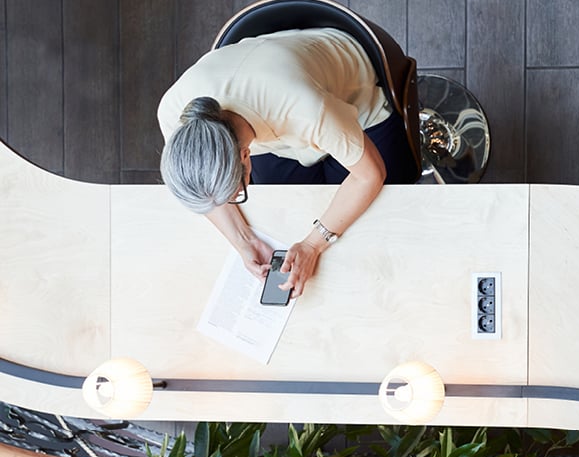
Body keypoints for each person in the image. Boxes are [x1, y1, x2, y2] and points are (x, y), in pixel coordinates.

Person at [158, 27, 418, 297]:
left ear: (244, 156)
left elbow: (369, 175)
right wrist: (244, 241)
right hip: (284, 132)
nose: (227, 201)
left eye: (234, 193)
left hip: (354, 106)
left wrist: (312, 245)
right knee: (290, 213)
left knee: (383, 212)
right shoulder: (174, 116)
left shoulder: (303, 108)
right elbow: (206, 196)